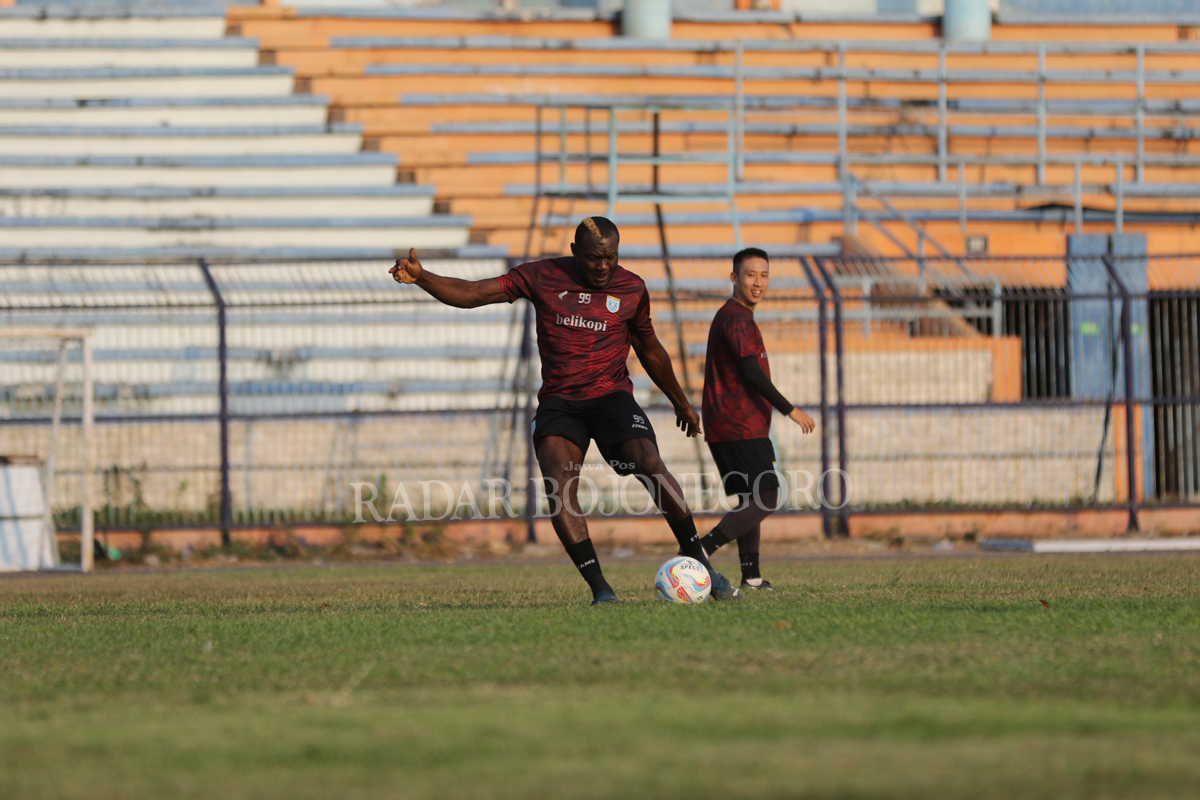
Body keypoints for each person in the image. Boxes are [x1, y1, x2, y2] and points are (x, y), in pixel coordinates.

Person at [390, 216, 743, 605]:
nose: (603, 266)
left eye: (611, 257)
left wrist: (681, 401)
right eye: (594, 259)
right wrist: (423, 277)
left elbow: (650, 349)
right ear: (575, 252)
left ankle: (699, 561)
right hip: (560, 401)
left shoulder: (632, 288)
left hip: (611, 396)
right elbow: (473, 293)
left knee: (646, 460)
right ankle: (602, 591)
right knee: (559, 482)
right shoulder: (542, 275)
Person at [698, 247, 815, 591]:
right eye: (751, 275)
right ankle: (701, 549)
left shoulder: (737, 316)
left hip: (731, 423)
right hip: (739, 424)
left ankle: (751, 576)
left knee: (752, 498)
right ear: (734, 278)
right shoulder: (736, 318)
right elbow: (751, 370)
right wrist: (790, 409)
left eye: (764, 275)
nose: (758, 282)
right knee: (768, 496)